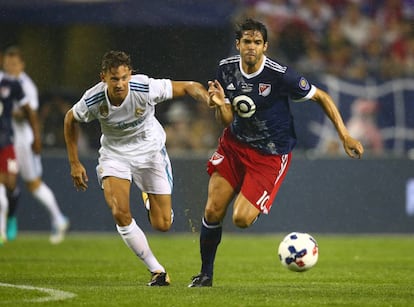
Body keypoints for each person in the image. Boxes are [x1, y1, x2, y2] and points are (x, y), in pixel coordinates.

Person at [188, 19, 364, 287]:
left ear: (265, 47)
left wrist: (344, 135)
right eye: (246, 41)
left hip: (270, 154)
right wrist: (217, 104)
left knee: (241, 219)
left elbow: (322, 97)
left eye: (257, 42)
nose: (251, 47)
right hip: (234, 145)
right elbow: (225, 119)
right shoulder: (225, 70)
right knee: (212, 210)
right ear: (238, 44)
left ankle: (255, 202)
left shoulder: (280, 75)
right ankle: (205, 275)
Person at [64, 50, 209, 286]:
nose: (120, 84)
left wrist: (205, 97)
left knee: (162, 224)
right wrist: (74, 162)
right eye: (114, 79)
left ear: (130, 74)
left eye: (124, 78)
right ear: (104, 78)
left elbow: (188, 86)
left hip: (151, 154)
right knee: (119, 212)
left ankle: (148, 196)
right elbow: (70, 119)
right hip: (115, 156)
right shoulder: (93, 99)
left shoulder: (144, 87)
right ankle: (157, 271)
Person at [2, 46, 69, 244]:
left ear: (22, 65)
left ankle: (58, 218)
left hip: (23, 141)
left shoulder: (26, 86)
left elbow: (28, 114)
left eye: (14, 63)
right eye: (7, 63)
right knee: (7, 182)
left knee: (32, 184)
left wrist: (8, 112)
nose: (10, 67)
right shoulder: (3, 80)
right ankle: (9, 221)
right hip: (7, 140)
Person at [0, 70, 41, 245]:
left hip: (7, 143)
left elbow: (29, 111)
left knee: (10, 184)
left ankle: (11, 217)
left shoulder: (11, 85)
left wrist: (36, 136)